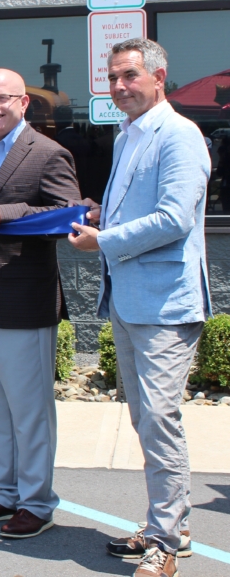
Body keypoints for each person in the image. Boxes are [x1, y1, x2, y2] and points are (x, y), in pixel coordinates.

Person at [69, 38, 210, 577]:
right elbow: (142, 206)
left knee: (158, 419)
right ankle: (166, 525)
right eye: (113, 77)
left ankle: (167, 544)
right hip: (131, 300)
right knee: (146, 419)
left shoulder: (179, 136)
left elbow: (175, 219)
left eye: (130, 76)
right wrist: (103, 212)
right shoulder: (129, 133)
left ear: (159, 77)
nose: (120, 86)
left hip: (165, 304)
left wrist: (102, 241)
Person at [0, 68, 80, 539]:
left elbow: (69, 214)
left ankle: (37, 502)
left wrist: (10, 212)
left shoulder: (48, 153)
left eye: (3, 99)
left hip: (24, 301)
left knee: (29, 411)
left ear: (25, 104)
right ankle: (5, 492)